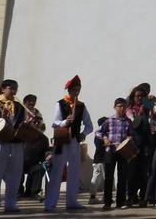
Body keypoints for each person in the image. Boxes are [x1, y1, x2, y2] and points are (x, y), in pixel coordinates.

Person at [44, 75, 93, 212]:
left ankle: (72, 202)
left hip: (74, 142)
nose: (76, 92)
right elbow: (55, 123)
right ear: (69, 90)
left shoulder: (81, 106)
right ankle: (50, 203)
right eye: (74, 90)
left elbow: (89, 125)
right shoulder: (60, 103)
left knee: (74, 172)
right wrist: (65, 122)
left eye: (78, 90)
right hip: (61, 141)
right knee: (57, 171)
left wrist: (83, 134)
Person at [0, 79, 26, 213]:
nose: (14, 91)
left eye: (16, 88)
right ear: (3, 89)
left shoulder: (19, 105)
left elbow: (20, 122)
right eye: (11, 88)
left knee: (15, 174)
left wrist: (28, 124)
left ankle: (11, 204)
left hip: (16, 142)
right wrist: (1, 117)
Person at [95, 98, 134, 210]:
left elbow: (131, 134)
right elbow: (98, 132)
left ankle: (120, 202)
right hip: (110, 151)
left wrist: (129, 138)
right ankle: (107, 203)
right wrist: (105, 138)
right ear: (114, 107)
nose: (121, 109)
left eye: (123, 106)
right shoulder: (108, 120)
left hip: (123, 151)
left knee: (122, 177)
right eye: (119, 106)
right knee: (109, 177)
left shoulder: (128, 121)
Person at [89, 117, 108, 204]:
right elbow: (100, 146)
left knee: (96, 179)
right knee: (105, 179)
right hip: (101, 160)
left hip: (98, 160)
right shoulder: (100, 134)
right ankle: (106, 197)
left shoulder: (99, 134)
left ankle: (92, 198)